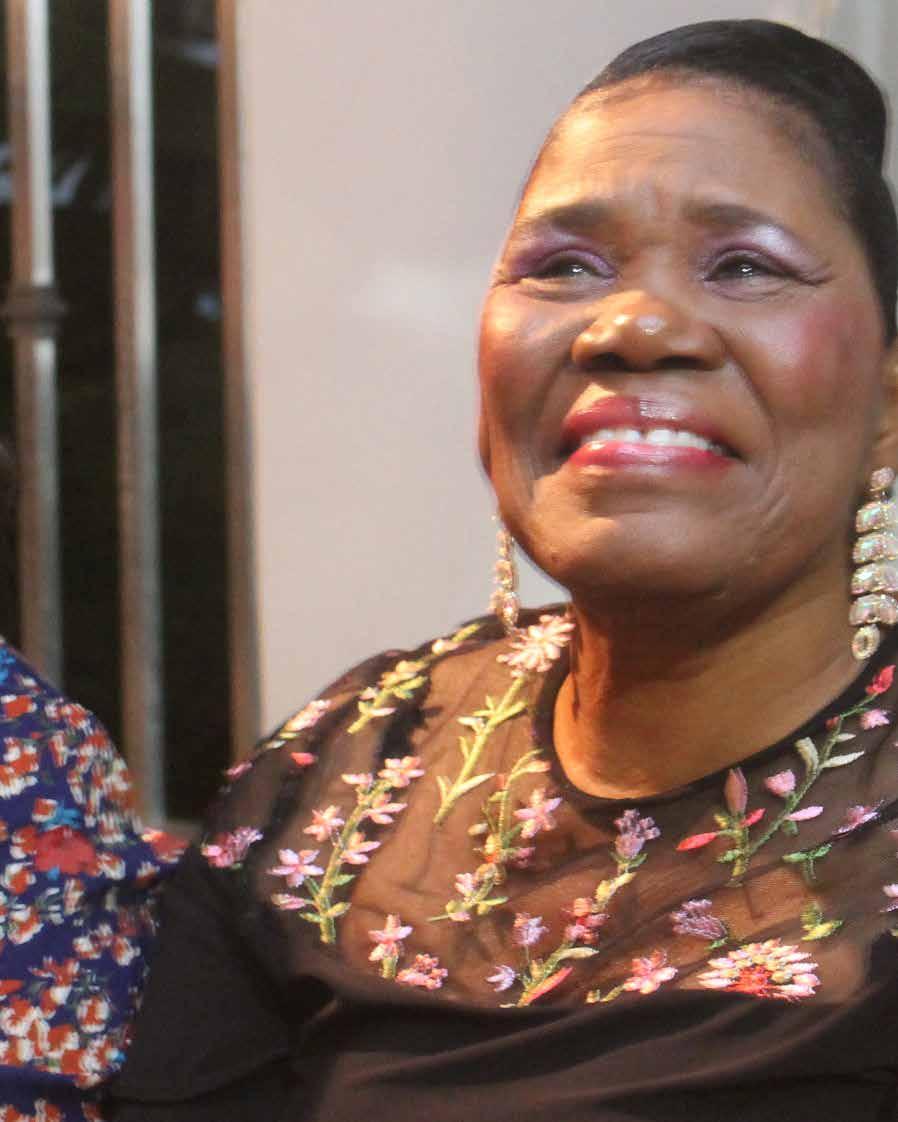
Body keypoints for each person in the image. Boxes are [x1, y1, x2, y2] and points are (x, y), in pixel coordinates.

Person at [111, 19, 898, 1120]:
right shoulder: (355, 767)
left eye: (744, 266)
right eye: (564, 267)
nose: (632, 326)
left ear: (887, 397)